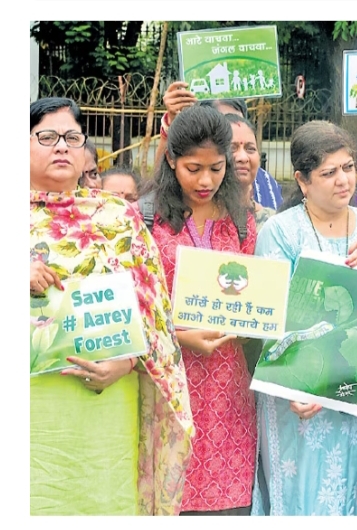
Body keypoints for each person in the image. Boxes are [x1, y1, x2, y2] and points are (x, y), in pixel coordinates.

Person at [30, 97, 193, 515]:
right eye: (46, 137)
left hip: (107, 408)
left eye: (72, 137)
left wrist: (130, 360)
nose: (62, 146)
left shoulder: (118, 218)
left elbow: (154, 313)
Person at [252, 120, 357, 516]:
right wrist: (295, 386)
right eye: (329, 172)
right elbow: (269, 317)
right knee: (305, 498)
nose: (344, 180)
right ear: (302, 181)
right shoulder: (281, 232)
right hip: (299, 395)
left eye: (348, 167)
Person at [142, 104, 257, 515]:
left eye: (216, 168)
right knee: (168, 497)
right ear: (171, 159)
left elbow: (256, 297)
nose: (206, 181)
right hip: (167, 387)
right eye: (193, 169)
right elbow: (136, 308)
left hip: (230, 391)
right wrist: (178, 337)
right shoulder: (146, 220)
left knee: (229, 505)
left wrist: (251, 323)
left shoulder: (242, 222)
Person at [159, 81, 283, 209]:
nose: (242, 157)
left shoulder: (267, 184)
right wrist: (170, 123)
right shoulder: (191, 193)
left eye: (250, 148)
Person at [225, 113, 276, 233]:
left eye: (250, 149)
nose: (243, 158)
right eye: (232, 148)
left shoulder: (272, 224)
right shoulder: (198, 220)